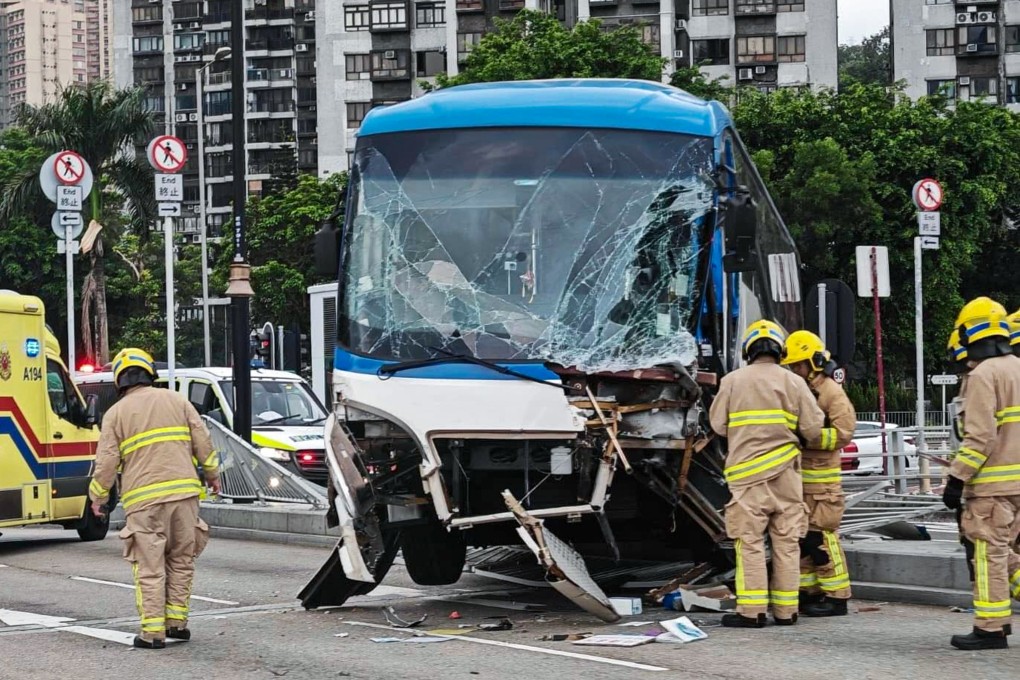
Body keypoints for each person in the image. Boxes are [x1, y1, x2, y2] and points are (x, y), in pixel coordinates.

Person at [87, 348, 221, 649]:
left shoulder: (115, 414)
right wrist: (212, 474)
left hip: (144, 501)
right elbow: (203, 439)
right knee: (182, 559)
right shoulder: (177, 401)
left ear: (120, 379)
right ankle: (177, 624)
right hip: (185, 495)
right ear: (150, 374)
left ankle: (152, 632)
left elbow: (107, 461)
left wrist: (97, 497)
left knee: (150, 565)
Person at [710, 320, 825, 628]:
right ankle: (787, 612)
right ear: (780, 350)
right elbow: (814, 428)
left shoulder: (732, 381)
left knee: (749, 543)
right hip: (787, 474)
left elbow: (718, 425)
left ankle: (752, 613)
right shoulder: (795, 383)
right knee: (787, 543)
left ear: (748, 350)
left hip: (747, 478)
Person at [942, 298, 1020, 650]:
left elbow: (980, 437)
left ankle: (990, 628)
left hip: (992, 487)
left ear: (968, 331)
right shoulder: (1018, 367)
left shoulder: (982, 375)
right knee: (1009, 554)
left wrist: (957, 478)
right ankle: (997, 622)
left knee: (989, 554)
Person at [780, 330, 856, 617]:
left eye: (798, 365)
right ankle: (809, 591)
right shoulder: (801, 391)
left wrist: (808, 438)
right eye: (792, 366)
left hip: (823, 483)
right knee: (803, 539)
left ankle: (838, 597)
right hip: (800, 480)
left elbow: (844, 432)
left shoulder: (830, 392)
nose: (795, 371)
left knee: (823, 539)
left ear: (813, 362)